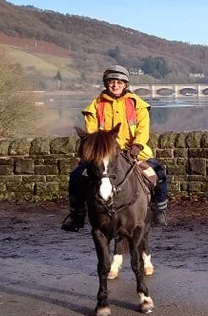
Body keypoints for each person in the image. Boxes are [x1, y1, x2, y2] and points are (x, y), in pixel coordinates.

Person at [60, 65, 169, 231]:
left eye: (119, 82)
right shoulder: (95, 106)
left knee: (158, 173)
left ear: (125, 84)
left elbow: (143, 128)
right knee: (76, 176)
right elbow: (92, 134)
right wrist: (104, 150)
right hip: (104, 154)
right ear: (106, 84)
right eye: (112, 82)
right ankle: (77, 214)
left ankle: (159, 211)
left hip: (134, 152)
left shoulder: (138, 104)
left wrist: (137, 146)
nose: (115, 85)